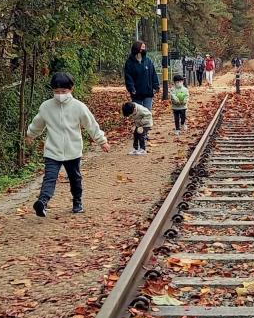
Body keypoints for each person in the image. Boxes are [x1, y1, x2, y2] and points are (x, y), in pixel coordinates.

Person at [26, 72, 110, 217]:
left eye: (63, 91)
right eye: (56, 92)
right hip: (53, 150)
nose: (60, 95)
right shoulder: (46, 107)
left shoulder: (79, 107)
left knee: (75, 178)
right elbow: (38, 123)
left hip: (73, 150)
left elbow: (91, 125)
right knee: (50, 177)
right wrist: (30, 135)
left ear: (71, 89)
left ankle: (77, 202)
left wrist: (102, 141)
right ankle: (42, 202)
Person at [124, 40, 159, 111]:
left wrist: (156, 85)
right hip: (136, 93)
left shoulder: (148, 61)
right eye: (142, 47)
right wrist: (131, 88)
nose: (144, 49)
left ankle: (147, 123)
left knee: (148, 112)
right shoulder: (129, 63)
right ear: (137, 48)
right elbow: (128, 77)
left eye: (144, 47)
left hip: (148, 92)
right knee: (138, 112)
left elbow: (153, 74)